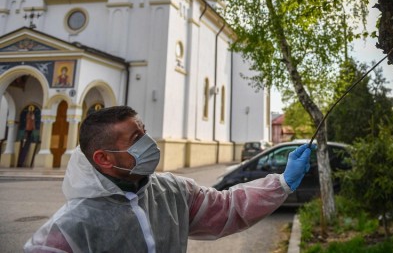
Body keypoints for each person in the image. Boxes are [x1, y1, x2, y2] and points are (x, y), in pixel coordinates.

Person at [25, 105, 314, 252]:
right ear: (104, 158)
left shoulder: (172, 190)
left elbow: (228, 207)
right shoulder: (69, 230)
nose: (149, 143)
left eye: (145, 131)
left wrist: (282, 182)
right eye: (136, 138)